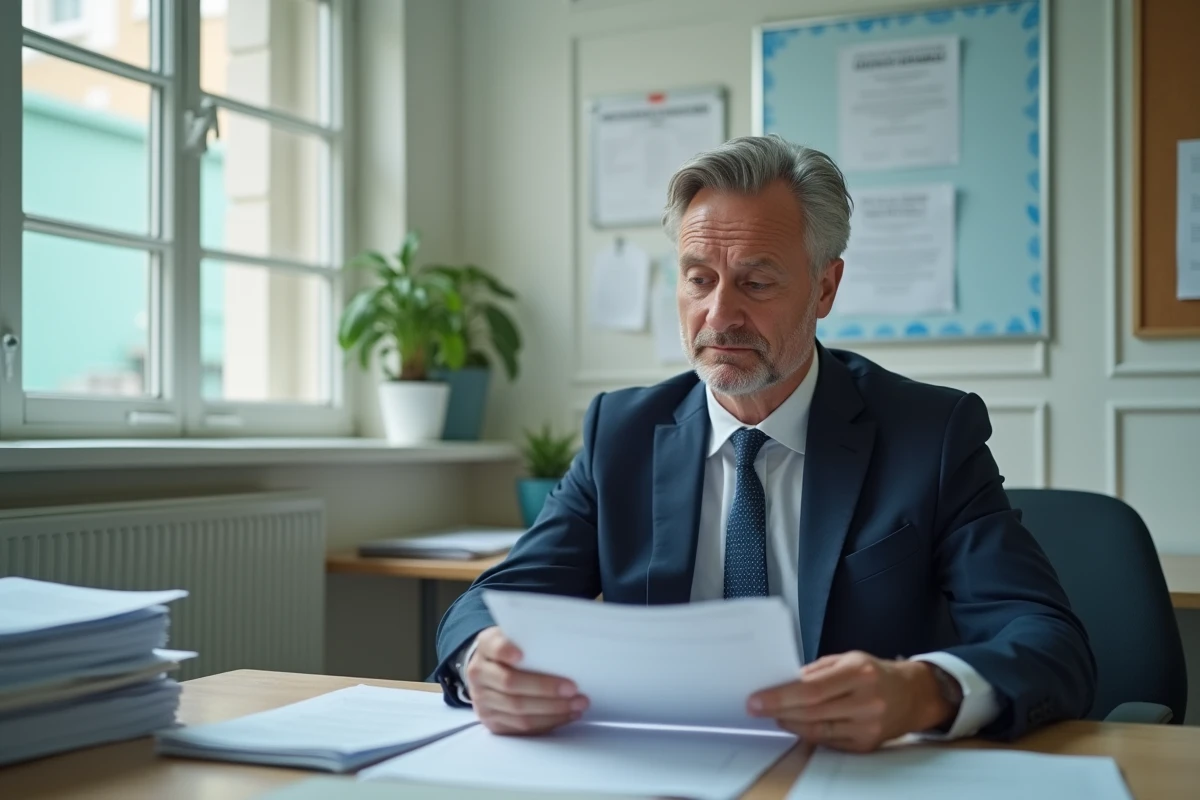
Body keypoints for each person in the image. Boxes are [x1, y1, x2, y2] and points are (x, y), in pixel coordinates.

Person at [432, 135, 1095, 752]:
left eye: (756, 281)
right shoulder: (624, 433)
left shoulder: (930, 435)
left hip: (853, 776)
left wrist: (925, 691)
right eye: (698, 278)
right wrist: (481, 660)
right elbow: (488, 602)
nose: (719, 315)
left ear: (825, 287)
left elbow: (1047, 641)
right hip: (660, 769)